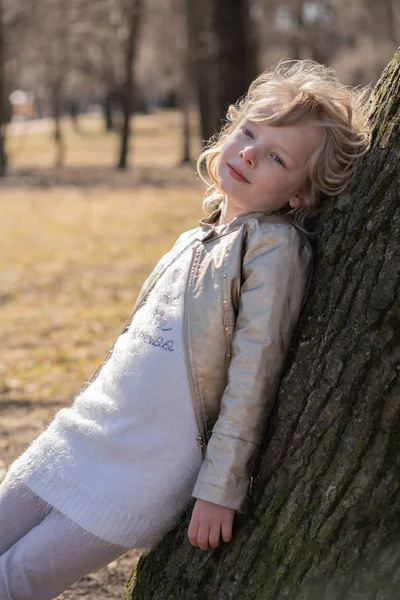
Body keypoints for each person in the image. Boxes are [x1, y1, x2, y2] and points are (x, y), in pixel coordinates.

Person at [0, 59, 371, 599]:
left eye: (276, 157)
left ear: (301, 194)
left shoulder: (272, 250)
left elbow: (254, 374)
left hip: (139, 474)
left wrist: (220, 486)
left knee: (16, 578)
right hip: (81, 435)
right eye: (249, 133)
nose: (248, 153)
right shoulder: (191, 241)